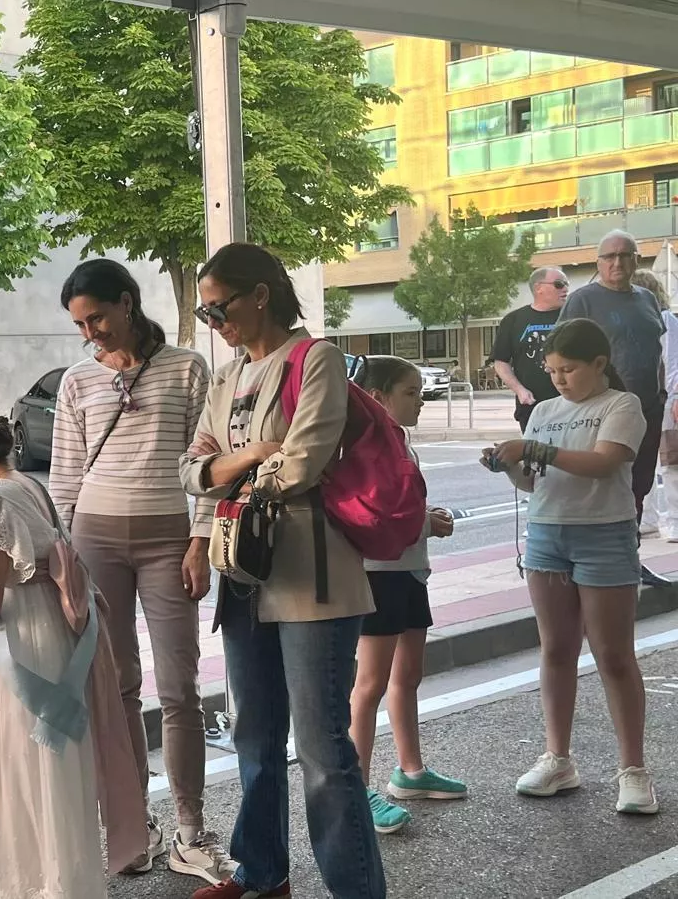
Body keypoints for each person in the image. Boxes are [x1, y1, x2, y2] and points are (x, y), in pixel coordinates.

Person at [180, 242, 385, 899]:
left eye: (220, 309)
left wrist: (233, 469)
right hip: (243, 573)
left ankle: (356, 889)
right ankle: (262, 873)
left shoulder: (315, 358)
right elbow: (191, 473)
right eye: (205, 313)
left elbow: (305, 463)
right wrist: (257, 456)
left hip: (313, 576)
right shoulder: (225, 377)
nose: (215, 323)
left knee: (323, 749)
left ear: (260, 294)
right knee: (255, 735)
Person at [0, 408, 151, 899]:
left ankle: (29, 883)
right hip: (58, 636)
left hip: (20, 642)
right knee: (54, 770)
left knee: (16, 767)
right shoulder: (29, 485)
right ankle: (64, 880)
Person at [47, 258, 230, 881]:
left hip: (166, 537)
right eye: (79, 323)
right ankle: (134, 825)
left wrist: (200, 539)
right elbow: (66, 477)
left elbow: (208, 463)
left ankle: (190, 828)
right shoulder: (76, 381)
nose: (89, 333)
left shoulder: (186, 368)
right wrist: (64, 553)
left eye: (96, 317)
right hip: (95, 538)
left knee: (180, 686)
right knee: (117, 684)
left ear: (128, 302)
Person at [479, 318, 658, 816]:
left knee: (613, 655)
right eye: (552, 371)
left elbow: (605, 462)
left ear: (599, 364)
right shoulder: (544, 412)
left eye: (569, 370)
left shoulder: (621, 405)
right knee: (556, 649)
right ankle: (558, 758)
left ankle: (634, 770)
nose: (559, 380)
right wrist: (510, 463)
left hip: (604, 535)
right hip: (547, 536)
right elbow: (535, 483)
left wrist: (533, 448)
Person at [346, 356, 466, 836]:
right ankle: (356, 788)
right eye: (410, 392)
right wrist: (423, 522)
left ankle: (410, 771)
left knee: (408, 675)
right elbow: (371, 515)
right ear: (377, 397)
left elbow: (400, 507)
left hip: (410, 569)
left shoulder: (400, 441)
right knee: (370, 684)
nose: (420, 400)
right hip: (379, 574)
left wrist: (425, 518)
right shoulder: (364, 445)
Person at [559, 230, 664, 536]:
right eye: (609, 256)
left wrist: (662, 393)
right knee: (605, 487)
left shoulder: (647, 299)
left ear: (636, 260)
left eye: (625, 255)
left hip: (648, 407)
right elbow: (561, 354)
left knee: (639, 485)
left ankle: (631, 560)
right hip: (604, 411)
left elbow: (657, 349)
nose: (617, 262)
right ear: (599, 262)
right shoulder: (583, 300)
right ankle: (605, 561)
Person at [489, 266, 568, 430]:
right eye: (559, 284)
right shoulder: (514, 320)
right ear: (538, 288)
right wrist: (519, 390)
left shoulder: (573, 315)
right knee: (535, 454)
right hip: (532, 407)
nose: (566, 288)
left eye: (567, 283)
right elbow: (501, 361)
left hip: (571, 404)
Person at [632, 269, 678, 541]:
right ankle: (647, 518)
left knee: (671, 463)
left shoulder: (665, 320)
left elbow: (672, 362)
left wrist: (675, 397)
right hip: (644, 400)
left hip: (665, 399)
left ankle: (674, 520)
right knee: (643, 462)